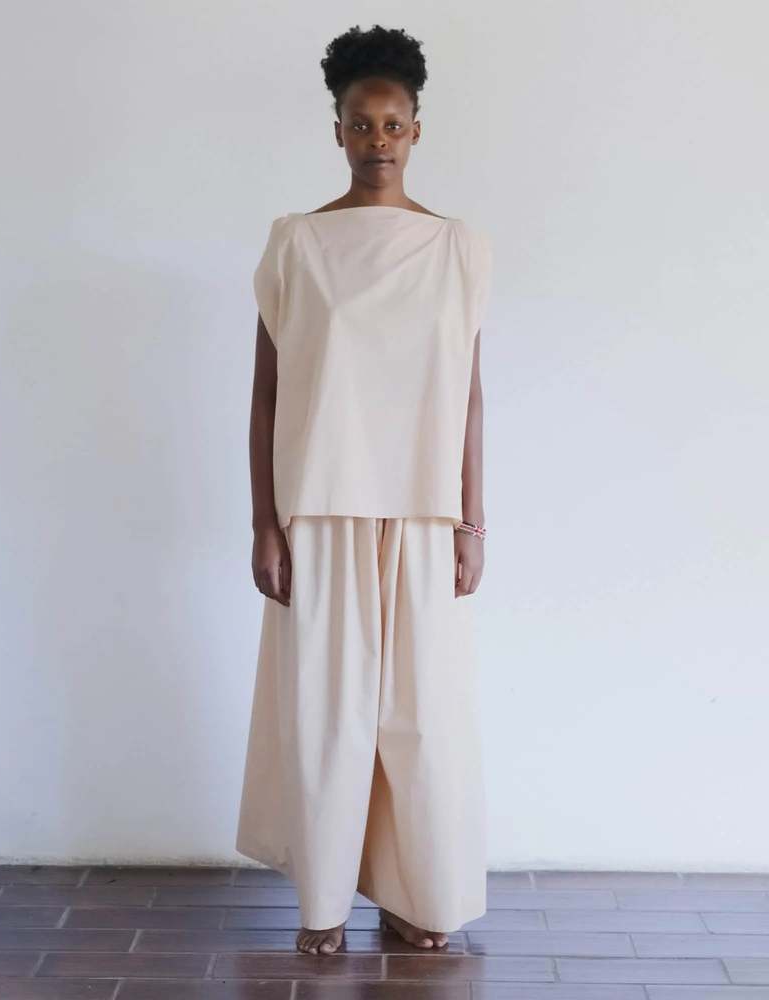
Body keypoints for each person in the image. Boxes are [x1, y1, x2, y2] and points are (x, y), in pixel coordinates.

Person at [236, 24, 493, 956]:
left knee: (419, 720)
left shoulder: (457, 247)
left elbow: (468, 395)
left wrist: (472, 522)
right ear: (336, 130)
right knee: (331, 715)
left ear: (416, 130)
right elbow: (267, 394)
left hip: (423, 512)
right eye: (359, 123)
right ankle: (325, 906)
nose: (377, 140)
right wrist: (264, 523)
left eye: (392, 124)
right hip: (322, 508)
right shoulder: (298, 244)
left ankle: (412, 892)